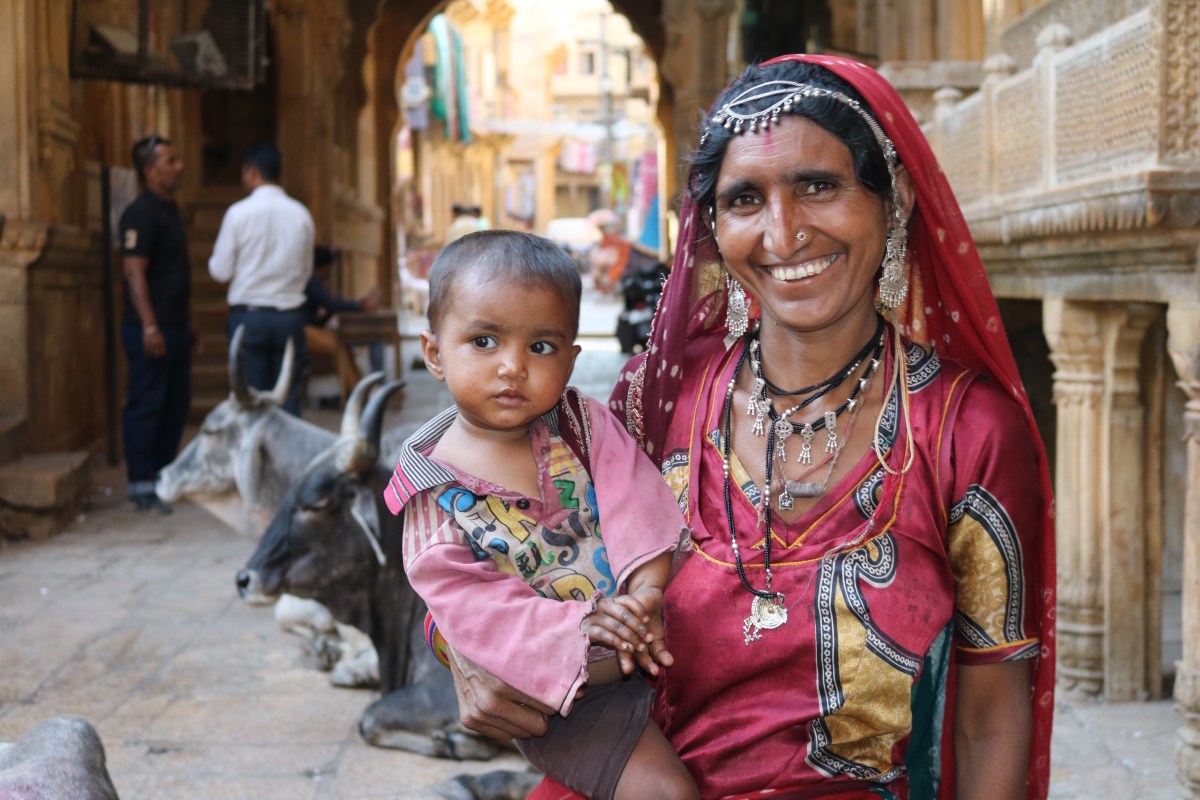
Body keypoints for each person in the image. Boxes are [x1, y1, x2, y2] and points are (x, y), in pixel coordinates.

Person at [446, 55, 1057, 800]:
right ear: (712, 226)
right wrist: (458, 648)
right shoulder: (655, 403)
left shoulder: (967, 432)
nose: (784, 231)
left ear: (892, 199)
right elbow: (495, 538)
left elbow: (991, 717)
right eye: (744, 199)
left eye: (819, 186)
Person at [383, 230, 698, 800]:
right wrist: (577, 626)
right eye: (483, 341)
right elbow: (470, 608)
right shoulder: (430, 491)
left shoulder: (581, 425)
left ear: (572, 358)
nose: (512, 367)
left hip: (651, 640)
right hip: (569, 702)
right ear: (434, 353)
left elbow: (636, 499)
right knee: (666, 793)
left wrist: (647, 591)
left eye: (541, 347)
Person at [118, 134, 200, 513]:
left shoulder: (170, 209)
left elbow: (175, 274)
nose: (178, 166)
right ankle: (141, 481)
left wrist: (189, 320)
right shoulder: (140, 213)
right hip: (151, 330)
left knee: (175, 404)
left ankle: (163, 475)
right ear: (149, 171)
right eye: (170, 161)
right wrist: (150, 326)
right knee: (148, 403)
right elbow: (134, 272)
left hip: (175, 326)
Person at [208, 142, 313, 415]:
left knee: (249, 404)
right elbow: (305, 271)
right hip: (289, 317)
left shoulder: (238, 213)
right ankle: (289, 458)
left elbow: (221, 271)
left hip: (249, 320)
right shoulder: (301, 214)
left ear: (252, 172)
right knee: (288, 405)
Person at [303, 245, 384, 402]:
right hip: (305, 330)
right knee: (340, 348)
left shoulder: (312, 280)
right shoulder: (311, 280)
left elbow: (329, 308)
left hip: (310, 327)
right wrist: (361, 306)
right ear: (325, 267)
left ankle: (356, 390)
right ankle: (357, 394)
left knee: (344, 348)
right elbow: (331, 304)